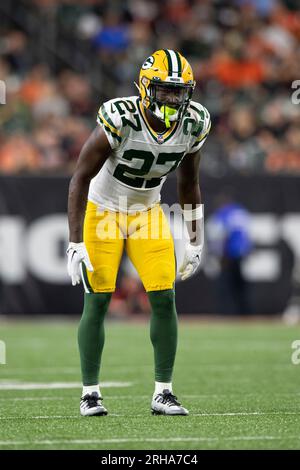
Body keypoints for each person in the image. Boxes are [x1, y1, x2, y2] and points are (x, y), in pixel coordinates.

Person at [67, 49, 211, 416]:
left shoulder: (194, 122)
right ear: (147, 89)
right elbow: (80, 177)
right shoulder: (121, 117)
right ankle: (90, 393)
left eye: (179, 92)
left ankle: (164, 391)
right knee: (97, 300)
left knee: (164, 297)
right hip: (103, 211)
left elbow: (189, 182)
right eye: (165, 91)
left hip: (147, 211)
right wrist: (74, 241)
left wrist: (196, 238)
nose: (173, 99)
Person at [206, 194, 253, 315]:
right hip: (241, 253)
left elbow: (221, 235)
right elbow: (247, 234)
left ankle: (227, 314)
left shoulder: (223, 213)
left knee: (226, 286)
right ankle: (244, 314)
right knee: (240, 287)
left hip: (228, 255)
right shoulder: (241, 211)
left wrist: (221, 255)